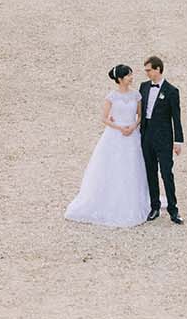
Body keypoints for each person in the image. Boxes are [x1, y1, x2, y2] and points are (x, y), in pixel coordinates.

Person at [64, 65, 151, 227]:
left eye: (131, 75)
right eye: (128, 75)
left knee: (133, 167)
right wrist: (119, 128)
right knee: (112, 167)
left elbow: (140, 115)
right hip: (115, 135)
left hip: (132, 134)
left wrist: (133, 126)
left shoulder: (136, 95)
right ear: (120, 79)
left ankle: (133, 200)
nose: (131, 78)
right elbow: (104, 118)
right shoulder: (111, 97)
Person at [139, 54, 184, 224]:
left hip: (164, 139)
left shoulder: (172, 91)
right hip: (147, 136)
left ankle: (173, 210)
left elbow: (176, 118)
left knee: (166, 173)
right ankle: (154, 207)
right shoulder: (143, 87)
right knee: (150, 172)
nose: (147, 73)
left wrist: (178, 141)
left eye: (149, 70)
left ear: (158, 69)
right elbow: (139, 111)